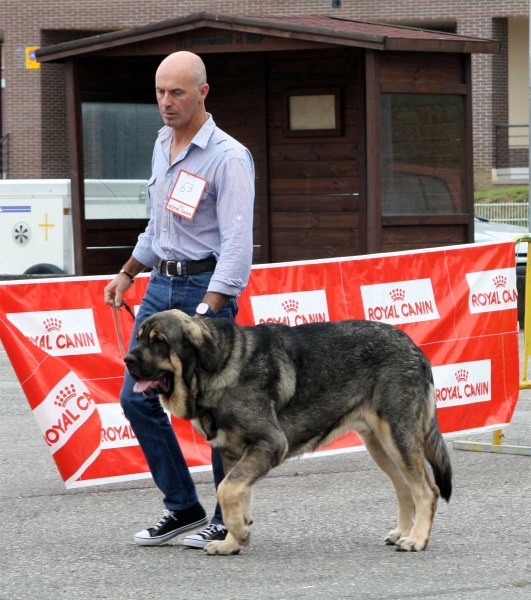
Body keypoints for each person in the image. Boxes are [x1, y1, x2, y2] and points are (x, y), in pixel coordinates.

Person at [103, 51, 255, 548]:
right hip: (158, 291)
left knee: (214, 408)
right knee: (136, 397)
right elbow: (159, 224)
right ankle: (183, 507)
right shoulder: (163, 143)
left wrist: (209, 311)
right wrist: (128, 272)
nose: (165, 103)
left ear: (203, 93)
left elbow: (235, 244)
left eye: (177, 93)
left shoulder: (228, 156)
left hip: (202, 291)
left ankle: (223, 517)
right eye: (160, 92)